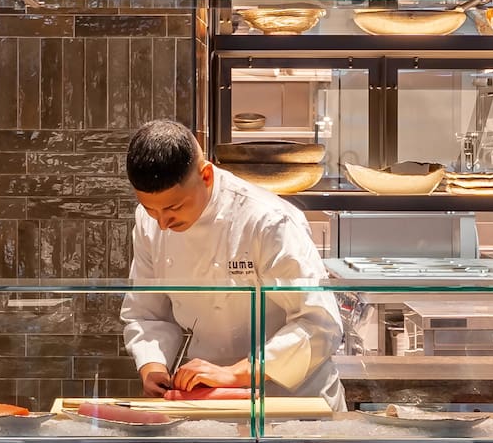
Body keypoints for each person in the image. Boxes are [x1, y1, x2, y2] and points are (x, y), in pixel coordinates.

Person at [120, 120, 344, 408]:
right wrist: (153, 366)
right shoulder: (148, 221)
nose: (162, 223)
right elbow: (148, 312)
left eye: (174, 208)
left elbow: (319, 325)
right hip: (207, 397)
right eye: (152, 210)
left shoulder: (267, 220)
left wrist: (235, 374)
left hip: (291, 400)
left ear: (207, 176)